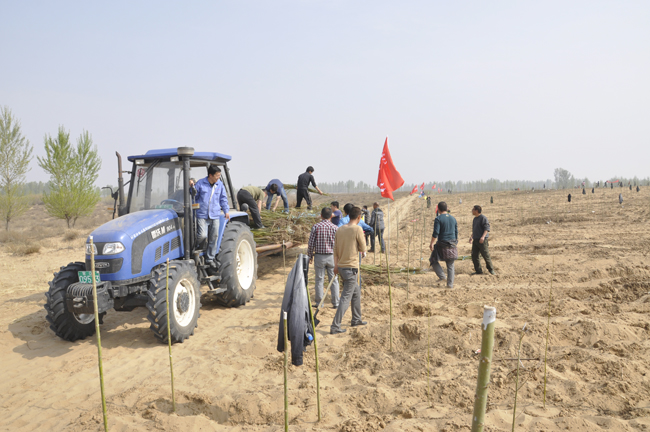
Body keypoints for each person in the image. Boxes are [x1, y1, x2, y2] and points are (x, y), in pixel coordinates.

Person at [331, 206, 367, 334]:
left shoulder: (340, 229)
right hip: (351, 268)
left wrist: (335, 266)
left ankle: (356, 319)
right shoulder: (357, 229)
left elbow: (335, 250)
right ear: (358, 217)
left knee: (356, 292)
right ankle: (335, 325)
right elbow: (363, 247)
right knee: (346, 297)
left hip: (341, 266)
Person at [195, 165, 230, 267]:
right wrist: (191, 187)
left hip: (215, 215)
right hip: (202, 214)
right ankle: (198, 248)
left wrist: (226, 211)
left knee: (214, 237)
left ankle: (210, 258)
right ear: (210, 175)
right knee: (202, 235)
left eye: (219, 175)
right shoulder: (200, 184)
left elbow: (223, 199)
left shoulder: (219, 185)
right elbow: (193, 196)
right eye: (217, 175)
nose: (218, 177)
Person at [307, 207, 340, 309]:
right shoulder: (335, 228)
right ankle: (335, 303)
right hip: (332, 257)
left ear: (321, 215)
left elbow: (311, 243)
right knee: (334, 280)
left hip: (319, 257)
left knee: (319, 280)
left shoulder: (316, 227)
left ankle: (319, 303)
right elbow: (338, 244)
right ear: (331, 216)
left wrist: (309, 255)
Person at [428, 202, 458, 288]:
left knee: (433, 260)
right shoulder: (453, 218)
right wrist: (455, 242)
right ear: (447, 208)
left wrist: (431, 243)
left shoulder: (438, 219)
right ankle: (450, 285)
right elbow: (456, 232)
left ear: (439, 209)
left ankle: (442, 276)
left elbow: (436, 233)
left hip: (442, 244)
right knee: (450, 265)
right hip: (452, 243)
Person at [469, 205, 495, 275]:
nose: (472, 211)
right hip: (476, 240)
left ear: (476, 211)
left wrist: (483, 237)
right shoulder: (475, 219)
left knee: (485, 255)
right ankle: (478, 271)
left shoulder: (483, 218)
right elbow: (475, 229)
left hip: (482, 241)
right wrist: (471, 237)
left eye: (473, 209)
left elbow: (486, 228)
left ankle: (491, 270)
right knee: (474, 256)